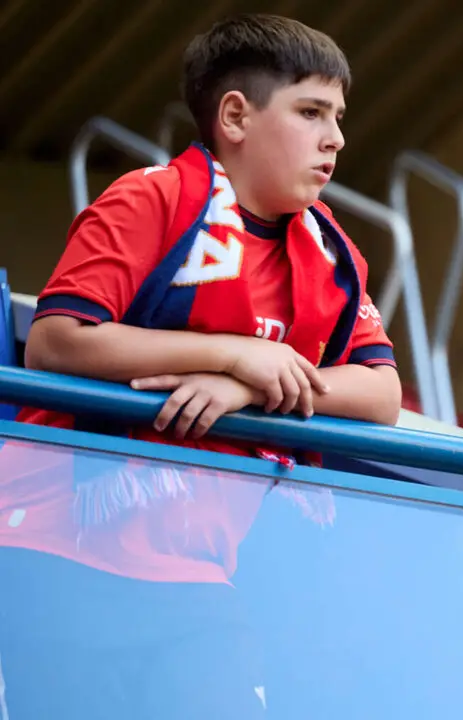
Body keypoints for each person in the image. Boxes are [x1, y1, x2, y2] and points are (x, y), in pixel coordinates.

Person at [0, 14, 400, 719]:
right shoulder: (149, 197)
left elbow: (381, 394)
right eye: (310, 112)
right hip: (56, 553)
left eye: (337, 116)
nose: (335, 137)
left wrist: (246, 385)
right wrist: (233, 351)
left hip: (199, 576)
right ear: (236, 116)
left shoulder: (336, 257)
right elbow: (57, 341)